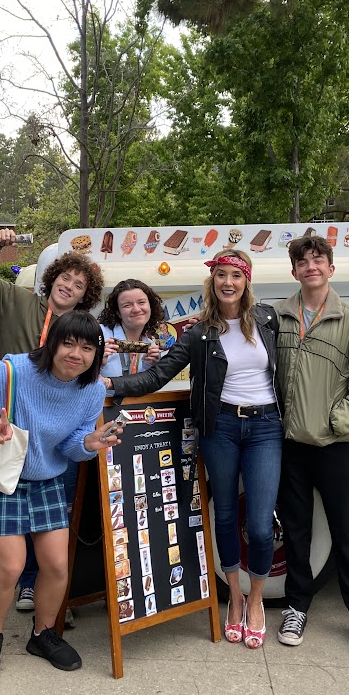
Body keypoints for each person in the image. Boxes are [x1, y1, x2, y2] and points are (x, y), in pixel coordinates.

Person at [106, 249, 282, 649]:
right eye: (221, 275)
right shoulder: (199, 332)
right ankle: (234, 598)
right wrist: (113, 384)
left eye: (235, 276)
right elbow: (158, 375)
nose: (228, 283)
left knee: (259, 525)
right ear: (212, 281)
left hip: (266, 426)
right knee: (225, 514)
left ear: (246, 281)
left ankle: (256, 599)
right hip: (220, 427)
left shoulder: (269, 320)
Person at [0, 311, 114, 681]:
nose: (76, 354)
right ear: (52, 342)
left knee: (57, 565)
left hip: (47, 480)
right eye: (68, 343)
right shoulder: (8, 372)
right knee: (10, 567)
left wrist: (89, 443)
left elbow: (71, 445)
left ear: (96, 354)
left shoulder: (92, 391)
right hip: (5, 481)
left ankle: (43, 634)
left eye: (87, 348)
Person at [0, 229, 103, 611]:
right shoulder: (17, 300)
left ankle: (30, 583)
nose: (69, 286)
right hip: (0, 426)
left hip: (47, 438)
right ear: (51, 278)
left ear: (85, 296)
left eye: (79, 284)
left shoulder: (81, 334)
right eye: (65, 277)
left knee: (42, 520)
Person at [274, 234, 349, 659]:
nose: (311, 267)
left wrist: (337, 423)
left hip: (336, 446)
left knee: (346, 533)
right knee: (296, 531)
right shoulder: (277, 317)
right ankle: (296, 607)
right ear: (294, 272)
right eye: (303, 262)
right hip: (289, 446)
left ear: (331, 268)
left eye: (318, 260)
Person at [98, 279, 164, 382]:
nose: (136, 309)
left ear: (150, 306)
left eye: (141, 302)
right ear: (118, 313)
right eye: (127, 305)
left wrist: (150, 367)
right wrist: (97, 364)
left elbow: (141, 386)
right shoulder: (98, 334)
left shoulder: (151, 347)